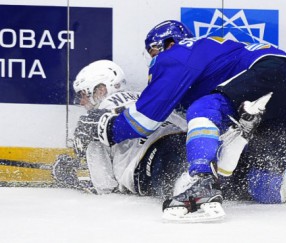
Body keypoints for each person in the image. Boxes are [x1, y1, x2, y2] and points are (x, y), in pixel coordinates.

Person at [76, 21, 286, 220]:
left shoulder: (178, 54)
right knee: (265, 185)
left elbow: (143, 121)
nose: (153, 60)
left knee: (203, 107)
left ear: (166, 44)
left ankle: (200, 181)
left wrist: (106, 129)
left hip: (264, 74)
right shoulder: (208, 55)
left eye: (152, 52)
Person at [52, 60, 188, 197]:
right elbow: (184, 124)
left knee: (178, 190)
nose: (81, 102)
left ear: (101, 89)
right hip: (184, 142)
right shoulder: (146, 96)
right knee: (194, 175)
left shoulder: (93, 121)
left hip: (148, 163)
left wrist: (72, 180)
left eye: (83, 94)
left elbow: (106, 188)